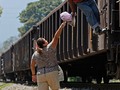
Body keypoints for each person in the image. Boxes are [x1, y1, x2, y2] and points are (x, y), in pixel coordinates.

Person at [30, 21, 66, 90]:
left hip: (40, 75)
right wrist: (61, 27)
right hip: (52, 73)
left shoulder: (35, 54)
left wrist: (33, 75)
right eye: (45, 40)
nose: (47, 40)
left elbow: (32, 65)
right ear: (44, 44)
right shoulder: (50, 48)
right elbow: (56, 37)